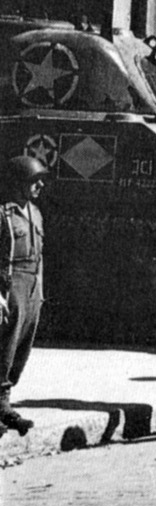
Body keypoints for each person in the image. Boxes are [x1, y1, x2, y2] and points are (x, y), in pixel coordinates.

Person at [0, 156, 49, 436]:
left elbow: (40, 255)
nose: (39, 185)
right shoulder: (3, 213)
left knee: (21, 347)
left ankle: (4, 402)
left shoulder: (36, 213)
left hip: (31, 286)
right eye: (34, 181)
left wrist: (39, 291)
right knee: (3, 346)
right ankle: (2, 405)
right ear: (19, 183)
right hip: (9, 285)